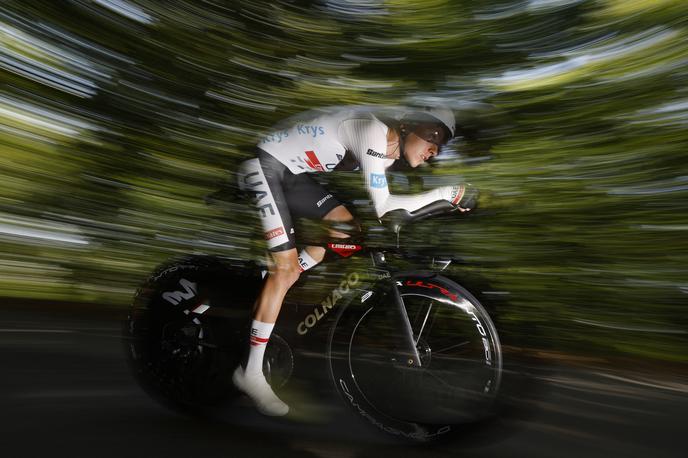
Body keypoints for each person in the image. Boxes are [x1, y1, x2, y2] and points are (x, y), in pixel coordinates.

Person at [233, 105, 476, 416]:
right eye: (434, 139)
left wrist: (443, 202)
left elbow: (392, 210)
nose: (435, 152)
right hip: (264, 165)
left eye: (441, 147)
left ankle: (285, 279)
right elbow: (385, 208)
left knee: (349, 231)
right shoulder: (372, 132)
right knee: (286, 267)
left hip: (292, 175)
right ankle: (250, 373)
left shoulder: (388, 154)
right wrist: (448, 193)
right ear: (412, 128)